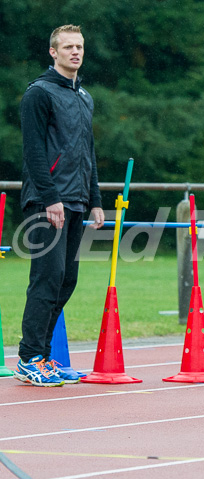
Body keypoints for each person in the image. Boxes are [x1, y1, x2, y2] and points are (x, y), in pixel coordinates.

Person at [14, 25, 104, 386]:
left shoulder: (84, 96)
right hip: (47, 201)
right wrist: (50, 198)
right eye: (67, 47)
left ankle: (44, 356)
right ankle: (28, 357)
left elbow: (88, 153)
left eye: (79, 46)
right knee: (46, 279)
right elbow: (33, 151)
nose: (75, 52)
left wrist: (95, 200)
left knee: (66, 280)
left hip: (78, 200)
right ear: (53, 52)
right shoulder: (39, 93)